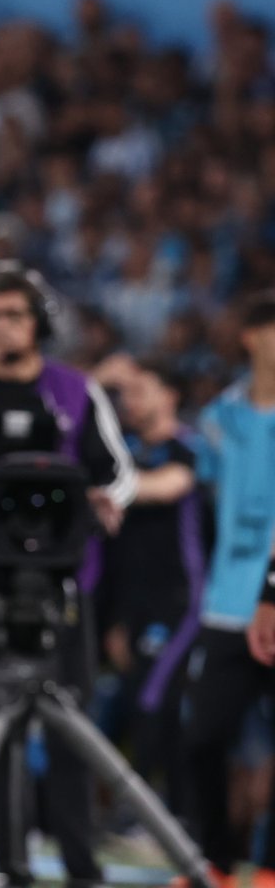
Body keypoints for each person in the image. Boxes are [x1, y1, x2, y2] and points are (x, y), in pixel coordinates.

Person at [0, 263, 135, 888]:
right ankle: (10, 865)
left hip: (65, 589)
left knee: (73, 735)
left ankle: (80, 866)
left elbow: (118, 471)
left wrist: (107, 501)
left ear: (38, 322)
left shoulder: (75, 391)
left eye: (11, 314)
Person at [191, 293, 275, 885]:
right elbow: (197, 506)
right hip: (226, 603)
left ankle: (270, 868)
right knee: (202, 740)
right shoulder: (219, 420)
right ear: (251, 337)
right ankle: (216, 862)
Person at [102, 359, 204, 815]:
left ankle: (164, 818)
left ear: (170, 396)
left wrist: (104, 487)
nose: (131, 400)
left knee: (154, 702)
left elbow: (167, 488)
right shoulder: (126, 451)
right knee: (134, 703)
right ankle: (149, 816)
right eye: (128, 392)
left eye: (142, 390)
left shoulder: (188, 448)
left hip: (181, 599)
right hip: (134, 603)